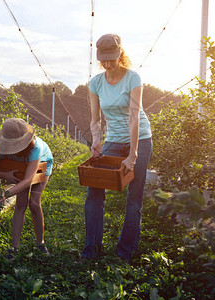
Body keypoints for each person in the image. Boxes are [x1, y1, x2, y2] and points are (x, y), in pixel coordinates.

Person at [81, 33, 153, 263]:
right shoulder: (96, 83)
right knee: (95, 191)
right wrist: (96, 140)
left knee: (134, 197)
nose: (108, 63)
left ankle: (125, 252)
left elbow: (134, 116)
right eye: (104, 59)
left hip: (140, 139)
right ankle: (91, 250)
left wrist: (133, 154)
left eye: (112, 58)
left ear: (120, 54)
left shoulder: (133, 78)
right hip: (112, 140)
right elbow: (95, 119)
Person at [0, 118, 53, 261]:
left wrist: (6, 193)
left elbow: (28, 180)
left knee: (34, 203)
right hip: (23, 168)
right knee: (21, 203)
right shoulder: (2, 150)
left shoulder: (36, 148)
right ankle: (14, 247)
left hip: (43, 163)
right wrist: (4, 175)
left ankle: (40, 243)